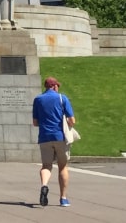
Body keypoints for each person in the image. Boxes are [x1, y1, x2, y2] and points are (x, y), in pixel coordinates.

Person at [32, 76, 76, 207]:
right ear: (55, 86)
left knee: (46, 166)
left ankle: (44, 185)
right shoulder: (62, 98)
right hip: (60, 136)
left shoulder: (38, 99)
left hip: (44, 137)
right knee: (62, 166)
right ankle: (63, 198)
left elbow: (35, 122)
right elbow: (72, 120)